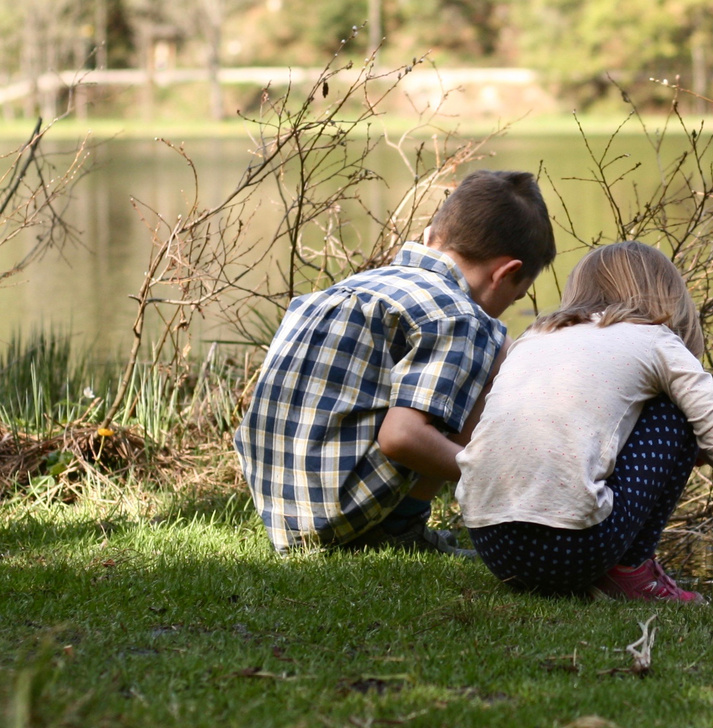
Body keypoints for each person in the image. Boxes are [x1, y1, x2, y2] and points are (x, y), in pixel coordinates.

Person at [234, 170, 555, 553]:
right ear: (507, 273)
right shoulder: (459, 316)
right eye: (514, 298)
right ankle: (400, 526)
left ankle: (390, 523)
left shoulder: (356, 286)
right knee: (500, 348)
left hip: (279, 510)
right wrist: (492, 475)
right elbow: (400, 437)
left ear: (430, 237)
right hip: (337, 515)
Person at [456, 240, 713, 602]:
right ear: (667, 295)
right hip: (571, 552)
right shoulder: (655, 339)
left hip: (493, 547)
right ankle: (632, 572)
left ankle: (611, 568)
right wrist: (695, 439)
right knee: (675, 413)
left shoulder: (535, 337)